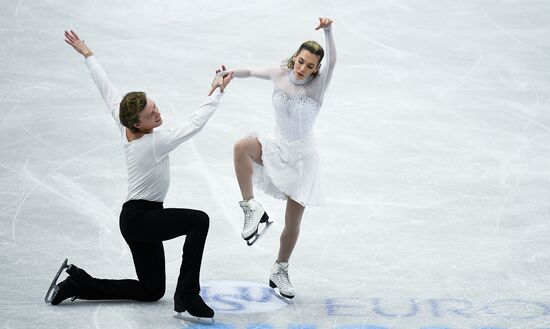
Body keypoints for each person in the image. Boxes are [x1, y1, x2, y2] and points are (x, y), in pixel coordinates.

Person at [45, 30, 232, 321]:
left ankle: (79, 283)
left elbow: (108, 92)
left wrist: (89, 56)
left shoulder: (126, 126)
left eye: (153, 106)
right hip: (141, 219)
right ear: (138, 124)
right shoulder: (154, 143)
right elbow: (195, 124)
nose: (156, 115)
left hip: (136, 220)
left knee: (151, 290)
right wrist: (218, 91)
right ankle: (188, 295)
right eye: (150, 116)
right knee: (199, 221)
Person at [229, 17, 336, 299]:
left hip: (302, 162)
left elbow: (334, 60)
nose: (302, 69)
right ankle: (251, 208)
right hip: (278, 148)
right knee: (242, 147)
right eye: (300, 61)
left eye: (310, 66)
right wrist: (228, 74)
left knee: (293, 222)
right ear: (295, 57)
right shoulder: (280, 73)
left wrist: (328, 31)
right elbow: (251, 71)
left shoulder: (316, 88)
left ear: (317, 70)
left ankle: (280, 268)